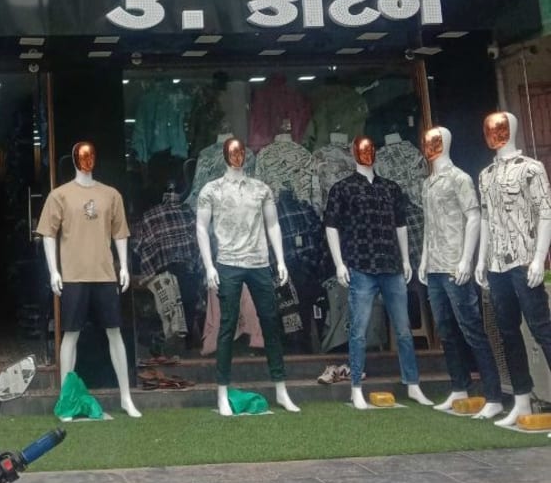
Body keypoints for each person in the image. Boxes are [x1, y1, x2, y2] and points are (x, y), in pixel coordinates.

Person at [324, 135, 433, 410]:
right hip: (360, 265)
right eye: (361, 149)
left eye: (371, 149)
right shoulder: (342, 189)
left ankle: (413, 383)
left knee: (404, 329)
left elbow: (401, 225)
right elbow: (331, 225)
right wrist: (339, 263)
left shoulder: (391, 188)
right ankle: (356, 388)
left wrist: (406, 260)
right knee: (358, 330)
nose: (367, 153)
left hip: (391, 265)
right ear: (353, 153)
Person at [195, 136, 300, 415]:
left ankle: (281, 388)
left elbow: (273, 225)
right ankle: (222, 391)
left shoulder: (260, 189)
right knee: (227, 326)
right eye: (232, 151)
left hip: (259, 262)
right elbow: (201, 228)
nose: (237, 155)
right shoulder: (211, 189)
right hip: (228, 262)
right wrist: (209, 265)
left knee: (270, 322)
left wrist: (280, 260)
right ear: (224, 155)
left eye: (241, 151)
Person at [38, 141, 140, 418]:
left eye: (91, 154)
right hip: (73, 276)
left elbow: (120, 233)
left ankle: (126, 397)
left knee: (115, 333)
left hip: (105, 274)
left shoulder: (111, 195)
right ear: (73, 159)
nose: (87, 159)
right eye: (82, 155)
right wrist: (54, 271)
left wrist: (123, 267)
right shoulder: (59, 195)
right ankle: (66, 402)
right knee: (70, 335)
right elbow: (48, 234)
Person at [418, 126, 502, 419]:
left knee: (471, 328)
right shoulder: (427, 184)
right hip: (435, 266)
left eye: (435, 141)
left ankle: (493, 394)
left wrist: (467, 259)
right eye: (427, 141)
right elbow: (428, 224)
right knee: (445, 330)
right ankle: (459, 387)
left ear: (446, 143)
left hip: (455, 265)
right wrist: (424, 260)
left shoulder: (460, 178)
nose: (429, 146)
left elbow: (474, 217)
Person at [476, 111, 551, 429]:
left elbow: (545, 212)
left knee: (542, 329)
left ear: (513, 129)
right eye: (489, 129)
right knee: (507, 333)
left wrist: (539, 257)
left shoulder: (532, 169)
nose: (493, 134)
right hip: (497, 265)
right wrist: (481, 260)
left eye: (500, 128)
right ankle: (521, 399)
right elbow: (485, 218)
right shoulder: (485, 175)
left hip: (523, 260)